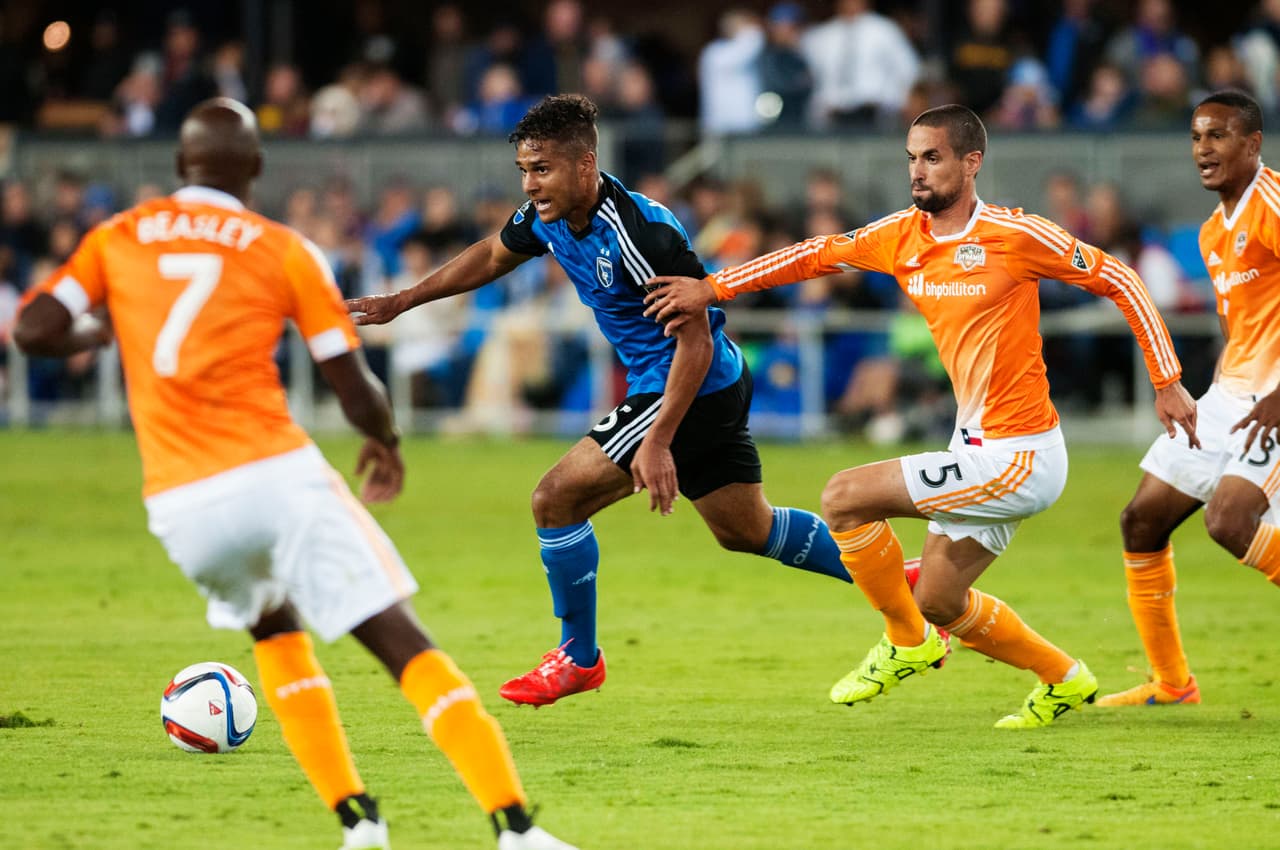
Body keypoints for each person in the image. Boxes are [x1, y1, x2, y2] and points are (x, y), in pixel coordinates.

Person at [13, 98, 575, 850]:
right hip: (273, 475)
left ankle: (359, 823)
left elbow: (34, 330)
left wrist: (111, 324)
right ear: (254, 171)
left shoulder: (120, 236)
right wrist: (386, 437)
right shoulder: (280, 248)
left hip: (180, 503)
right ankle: (514, 829)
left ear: (180, 166)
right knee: (401, 644)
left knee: (276, 630)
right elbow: (349, 383)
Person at [644, 104, 1200, 729]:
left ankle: (906, 643)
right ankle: (1064, 678)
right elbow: (813, 255)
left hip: (1020, 456)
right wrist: (713, 287)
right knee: (939, 599)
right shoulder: (901, 236)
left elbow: (1120, 277)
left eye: (932, 157)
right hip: (975, 445)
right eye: (911, 157)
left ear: (971, 162)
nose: (917, 171)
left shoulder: (1015, 236)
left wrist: (1168, 381)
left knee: (845, 496)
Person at [345, 94, 864, 708]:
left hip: (685, 384)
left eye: (542, 169)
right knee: (748, 530)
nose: (530, 184)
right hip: (704, 384)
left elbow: (694, 338)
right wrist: (403, 300)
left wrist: (661, 439)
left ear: (585, 164)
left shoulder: (641, 233)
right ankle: (907, 584)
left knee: (555, 498)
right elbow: (490, 255)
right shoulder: (547, 216)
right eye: (524, 171)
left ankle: (579, 658)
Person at [1098, 90, 1280, 707]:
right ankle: (1172, 683)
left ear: (1252, 144)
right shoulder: (1209, 232)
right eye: (1197, 137)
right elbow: (1240, 326)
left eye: (1218, 136)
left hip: (1276, 398)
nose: (1204, 149)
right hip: (1231, 397)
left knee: (1228, 522)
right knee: (1141, 519)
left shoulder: (1274, 204)